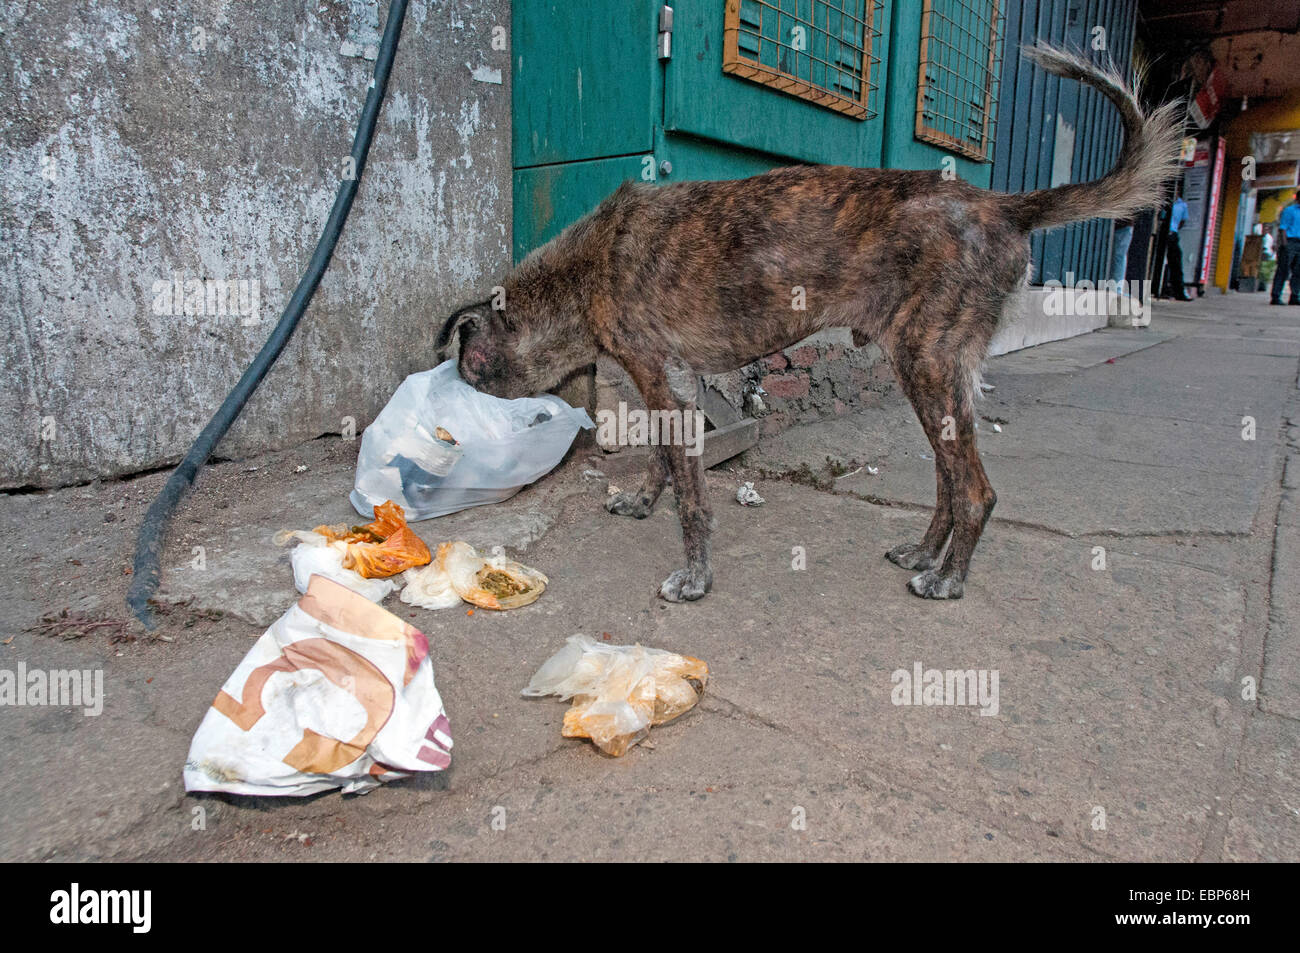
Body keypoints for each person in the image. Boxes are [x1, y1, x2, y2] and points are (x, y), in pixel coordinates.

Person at [1270, 191, 1300, 306]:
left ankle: (1295, 296)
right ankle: (1276, 296)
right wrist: (1285, 245)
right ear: (1297, 198)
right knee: (1283, 270)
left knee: (1298, 272)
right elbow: (1283, 229)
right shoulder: (1289, 210)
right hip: (1290, 242)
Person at [1164, 190, 1191, 300]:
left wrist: (1174, 230)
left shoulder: (1182, 205)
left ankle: (1178, 290)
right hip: (1163, 232)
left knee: (1175, 261)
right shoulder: (1165, 202)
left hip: (1173, 233)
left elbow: (1183, 221)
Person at [1111, 216, 1135, 293]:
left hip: (1120, 224)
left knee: (1118, 257)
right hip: (1125, 223)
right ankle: (1118, 289)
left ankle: (1117, 289)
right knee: (1119, 257)